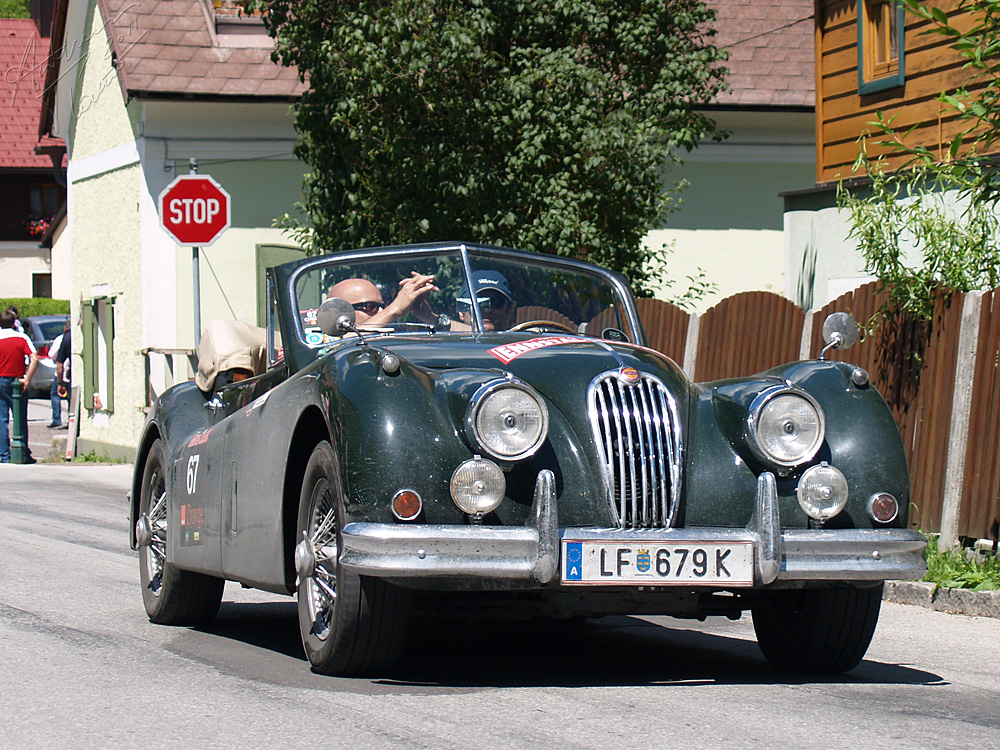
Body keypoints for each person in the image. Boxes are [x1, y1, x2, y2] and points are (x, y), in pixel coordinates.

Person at [328, 271, 438, 327]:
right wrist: (394, 310)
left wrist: (432, 319)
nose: (381, 312)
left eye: (383, 307)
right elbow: (343, 341)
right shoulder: (323, 347)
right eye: (371, 307)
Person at [0, 307, 38, 463]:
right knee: (20, 417)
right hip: (17, 380)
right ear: (14, 323)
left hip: (0, 379)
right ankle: (23, 452)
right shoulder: (21, 338)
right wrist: (27, 379)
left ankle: (4, 454)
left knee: (2, 419)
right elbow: (34, 358)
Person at [51, 320, 72, 427]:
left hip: (64, 371)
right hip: (69, 372)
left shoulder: (62, 338)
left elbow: (53, 355)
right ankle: (71, 420)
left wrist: (60, 383)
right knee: (71, 398)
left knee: (55, 394)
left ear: (65, 328)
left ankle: (56, 419)